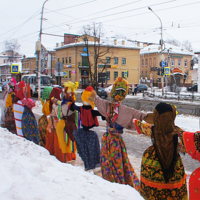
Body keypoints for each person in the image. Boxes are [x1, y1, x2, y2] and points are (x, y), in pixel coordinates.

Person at [93, 77, 148, 190]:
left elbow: (97, 100)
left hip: (107, 140)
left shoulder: (107, 105)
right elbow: (137, 115)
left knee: (109, 161)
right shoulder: (121, 110)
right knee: (118, 161)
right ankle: (117, 183)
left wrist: (93, 95)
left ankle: (110, 180)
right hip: (115, 141)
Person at [134, 102, 196, 200]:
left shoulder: (153, 130)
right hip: (173, 168)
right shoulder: (179, 135)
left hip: (151, 166)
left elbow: (139, 125)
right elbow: (191, 144)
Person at [71, 86, 105, 171]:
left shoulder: (81, 109)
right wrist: (104, 114)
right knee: (91, 150)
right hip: (88, 133)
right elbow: (99, 113)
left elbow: (75, 107)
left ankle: (87, 164)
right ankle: (90, 164)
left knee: (84, 149)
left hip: (82, 132)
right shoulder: (91, 111)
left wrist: (72, 105)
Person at [55, 81, 78, 163]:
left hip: (62, 124)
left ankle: (64, 158)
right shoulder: (70, 104)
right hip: (69, 126)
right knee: (69, 143)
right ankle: (68, 159)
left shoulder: (63, 103)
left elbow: (59, 104)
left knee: (63, 143)